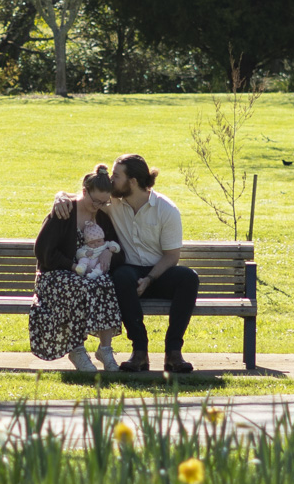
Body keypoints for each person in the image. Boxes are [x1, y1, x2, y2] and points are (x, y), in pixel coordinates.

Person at [52, 153, 198, 373]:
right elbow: (82, 197)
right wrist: (60, 196)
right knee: (120, 276)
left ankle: (174, 352)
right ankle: (139, 351)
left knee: (189, 278)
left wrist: (149, 279)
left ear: (133, 182)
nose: (111, 180)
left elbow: (171, 256)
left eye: (116, 176)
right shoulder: (112, 203)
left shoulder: (166, 210)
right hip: (128, 276)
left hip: (158, 273)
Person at [29, 164, 125, 371]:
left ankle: (105, 350)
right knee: (77, 285)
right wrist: (72, 266)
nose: (98, 205)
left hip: (87, 275)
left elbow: (118, 249)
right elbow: (44, 252)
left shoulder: (101, 217)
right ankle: (77, 349)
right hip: (54, 275)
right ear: (84, 191)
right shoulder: (65, 211)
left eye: (103, 202)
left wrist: (110, 250)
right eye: (95, 200)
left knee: (105, 283)